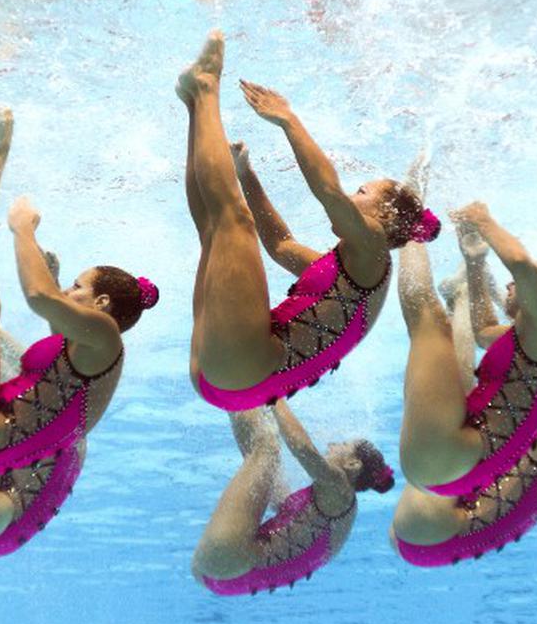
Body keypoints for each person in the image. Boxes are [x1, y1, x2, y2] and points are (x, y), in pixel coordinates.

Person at [0, 109, 157, 556]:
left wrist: (23, 228)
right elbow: (56, 364)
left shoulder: (106, 337)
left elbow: (39, 297)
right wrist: (53, 284)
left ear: (103, 305)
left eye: (78, 286)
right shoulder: (89, 355)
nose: (69, 291)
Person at [177, 29, 439, 412]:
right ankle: (193, 103)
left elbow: (328, 192)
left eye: (362, 193)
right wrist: (246, 173)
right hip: (229, 377)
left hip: (245, 369)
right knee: (216, 231)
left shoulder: (372, 252)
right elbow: (280, 245)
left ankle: (205, 86)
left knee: (232, 221)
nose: (352, 197)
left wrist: (288, 120)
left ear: (384, 216)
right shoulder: (351, 274)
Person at [388, 194, 537, 565]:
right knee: (439, 350)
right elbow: (484, 328)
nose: (508, 284)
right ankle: (411, 225)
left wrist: (484, 221)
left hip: (446, 480)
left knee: (428, 318)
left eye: (523, 283)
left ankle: (406, 215)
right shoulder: (527, 341)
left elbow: (521, 264)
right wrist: (475, 261)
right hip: (448, 482)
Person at [192, 400, 394, 595]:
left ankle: (241, 385)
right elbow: (278, 499)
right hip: (222, 578)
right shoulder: (337, 507)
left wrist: (275, 397)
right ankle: (239, 392)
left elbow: (303, 449)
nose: (332, 444)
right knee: (266, 453)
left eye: (342, 445)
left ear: (353, 464)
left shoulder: (340, 489)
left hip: (230, 559)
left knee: (266, 449)